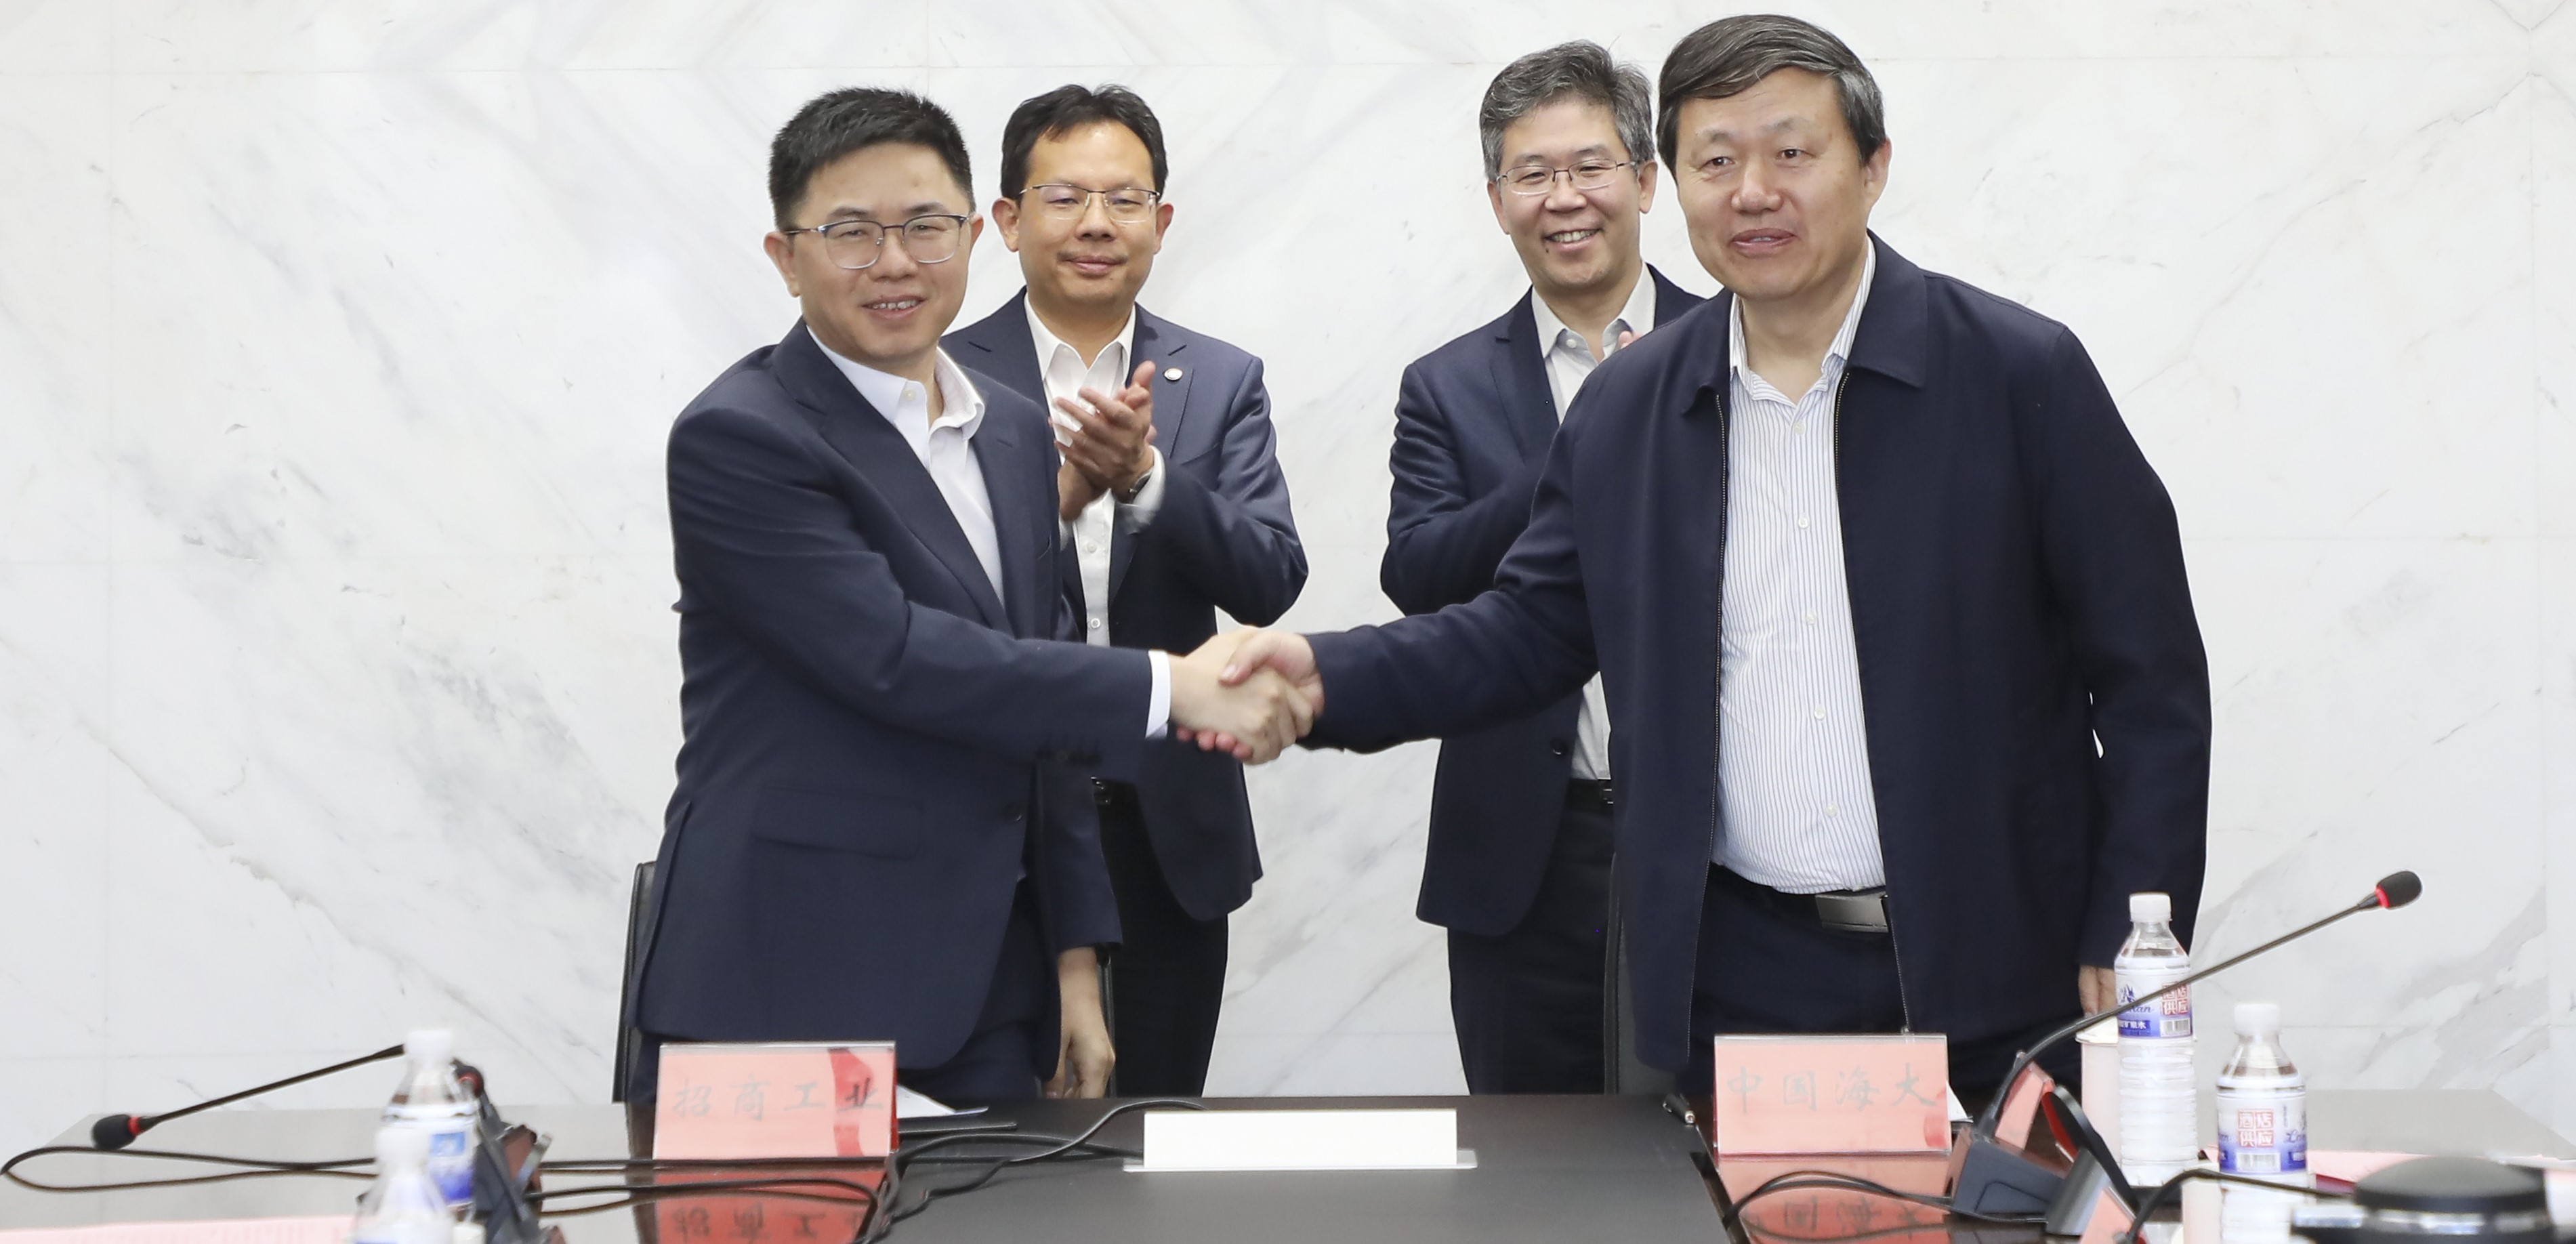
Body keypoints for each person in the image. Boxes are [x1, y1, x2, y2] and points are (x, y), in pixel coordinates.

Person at [1199, 14, 2211, 1107]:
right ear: (1672, 185)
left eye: (1791, 152)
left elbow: (2149, 676)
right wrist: (1323, 676)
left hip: (2000, 964)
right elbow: (1527, 631)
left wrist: (2132, 924)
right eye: (1714, 161)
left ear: (1872, 166)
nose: (1752, 192)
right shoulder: (1632, 405)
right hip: (1746, 979)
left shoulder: (2016, 373)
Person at [624, 87, 1310, 1112]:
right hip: (788, 967)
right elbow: (896, 658)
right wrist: (1173, 687)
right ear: (785, 257)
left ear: (970, 236)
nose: (895, 262)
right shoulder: (742, 434)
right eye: (850, 232)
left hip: (989, 985)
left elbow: (1044, 726)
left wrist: (1073, 961)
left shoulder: (1011, 432)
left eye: (924, 227)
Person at [946, 85, 1306, 1097]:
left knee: (1156, 1129)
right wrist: (1060, 497)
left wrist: (1147, 480)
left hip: (1167, 828)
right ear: (1008, 219)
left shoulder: (1220, 379)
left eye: (1124, 199)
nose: (1096, 224)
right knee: (999, 1131)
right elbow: (935, 600)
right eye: (1064, 198)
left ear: (1162, 220)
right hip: (998, 816)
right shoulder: (944, 376)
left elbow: (1270, 576)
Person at [1379, 42, 1703, 1096]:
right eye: (1532, 174)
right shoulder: (1446, 385)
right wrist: (1579, 445)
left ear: (1644, 181)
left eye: (1590, 166)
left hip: (1715, 843)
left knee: (1705, 1149)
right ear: (1496, 201)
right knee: (1530, 1158)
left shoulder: (1733, 350)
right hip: (1523, 850)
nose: (1564, 199)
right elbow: (1418, 575)